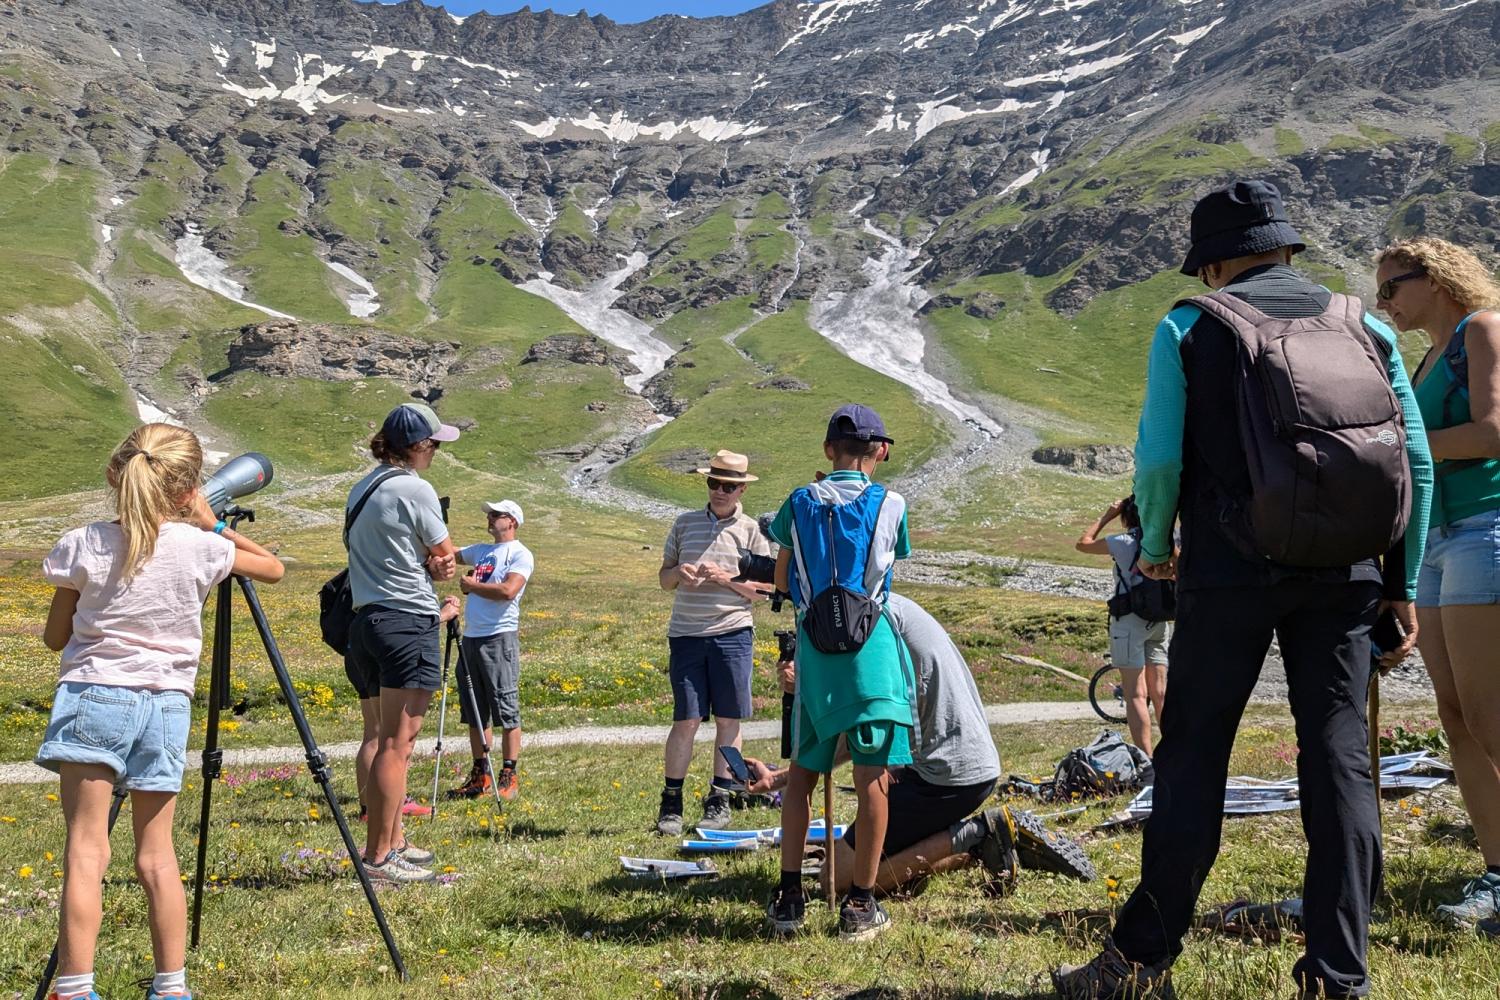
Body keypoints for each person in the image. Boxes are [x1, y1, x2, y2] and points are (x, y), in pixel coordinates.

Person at [1054, 180, 1432, 1000]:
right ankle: (1338, 977)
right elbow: (1417, 464)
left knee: (1193, 756)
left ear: (1216, 262)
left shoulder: (1189, 325)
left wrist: (1155, 548)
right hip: (1346, 577)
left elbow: (1156, 462)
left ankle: (1137, 964)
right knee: (1337, 763)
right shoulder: (1362, 322)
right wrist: (1399, 588)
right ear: (1287, 248)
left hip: (1227, 574)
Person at [37, 423, 284, 1000]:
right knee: (157, 853)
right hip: (167, 704)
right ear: (188, 489)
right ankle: (171, 985)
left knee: (87, 848)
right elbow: (272, 568)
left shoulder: (83, 542)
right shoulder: (203, 546)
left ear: (115, 476)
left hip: (96, 693)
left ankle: (74, 986)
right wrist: (212, 522)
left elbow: (55, 637)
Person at [745, 593, 1093, 896]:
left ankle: (979, 833)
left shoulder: (866, 626)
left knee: (836, 880)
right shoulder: (880, 608)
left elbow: (862, 730)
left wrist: (805, 688)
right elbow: (866, 735)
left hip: (943, 775)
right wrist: (778, 780)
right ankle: (980, 844)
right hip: (958, 768)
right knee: (858, 857)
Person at [1373, 237, 1500, 933]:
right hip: (1436, 541)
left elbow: (1492, 431)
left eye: (1393, 287)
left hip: (1486, 525)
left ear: (1437, 279)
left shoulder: (1482, 329)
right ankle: (1497, 873)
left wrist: (1403, 442)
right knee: (1454, 716)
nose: (1385, 303)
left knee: (1489, 714)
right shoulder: (1422, 355)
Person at [765, 403, 917, 940]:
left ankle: (788, 899)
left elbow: (783, 574)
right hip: (871, 650)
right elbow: (891, 561)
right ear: (880, 452)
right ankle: (859, 903)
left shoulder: (799, 501)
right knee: (872, 776)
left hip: (814, 650)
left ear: (828, 451)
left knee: (805, 773)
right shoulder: (892, 504)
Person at [345, 402, 461, 885]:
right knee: (399, 744)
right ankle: (377, 859)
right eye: (433, 444)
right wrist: (440, 570)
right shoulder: (416, 488)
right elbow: (444, 554)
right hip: (407, 619)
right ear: (416, 446)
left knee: (383, 737)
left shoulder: (362, 486)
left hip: (367, 618)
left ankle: (392, 842)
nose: (435, 452)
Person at [656, 449, 772, 835]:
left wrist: (725, 579)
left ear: (741, 490)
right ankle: (671, 803)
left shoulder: (753, 531)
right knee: (686, 718)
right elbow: (664, 578)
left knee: (728, 718)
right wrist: (680, 574)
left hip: (733, 632)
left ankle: (719, 798)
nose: (719, 491)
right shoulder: (684, 523)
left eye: (728, 486)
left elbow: (766, 591)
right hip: (686, 633)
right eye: (713, 483)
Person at [447, 499, 534, 802]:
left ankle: (509, 773)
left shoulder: (520, 554)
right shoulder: (481, 550)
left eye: (496, 514)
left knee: (506, 706)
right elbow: (449, 554)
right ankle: (480, 773)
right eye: (489, 514)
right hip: (472, 637)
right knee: (474, 708)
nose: (490, 517)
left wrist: (471, 586)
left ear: (512, 521)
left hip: (499, 637)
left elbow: (509, 591)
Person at [1076, 496, 1169, 754]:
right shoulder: (1166, 538)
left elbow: (1082, 544)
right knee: (1161, 694)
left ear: (1127, 517)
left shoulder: (1123, 542)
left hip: (1129, 621)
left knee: (1136, 695)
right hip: (1159, 620)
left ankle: (1147, 763)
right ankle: (1175, 756)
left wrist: (1107, 516)